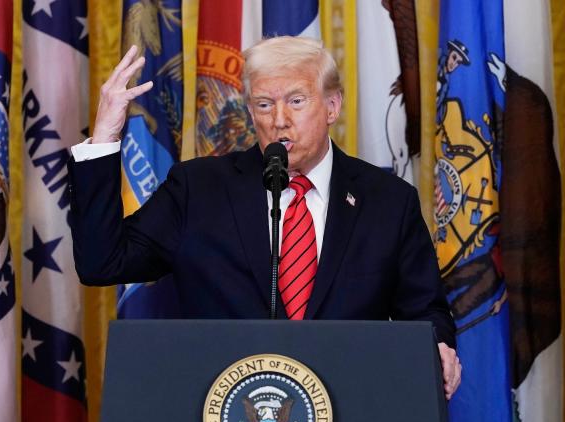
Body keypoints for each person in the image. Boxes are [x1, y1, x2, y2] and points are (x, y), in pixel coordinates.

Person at [68, 36, 462, 399]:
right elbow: (103, 261)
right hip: (222, 408)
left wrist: (438, 347)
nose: (279, 120)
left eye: (296, 101)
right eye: (263, 104)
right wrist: (103, 139)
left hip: (352, 404)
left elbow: (425, 311)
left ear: (332, 106)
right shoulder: (198, 189)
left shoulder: (388, 201)